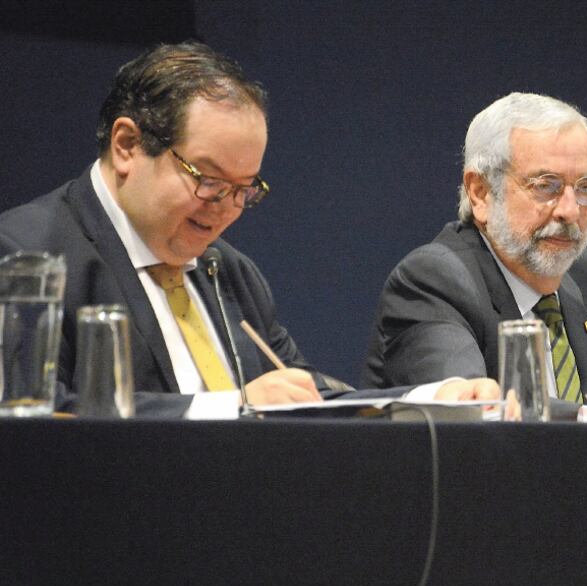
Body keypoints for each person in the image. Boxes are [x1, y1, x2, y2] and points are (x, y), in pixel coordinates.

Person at [0, 42, 495, 418]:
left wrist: (427, 398)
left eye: (244, 189)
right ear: (127, 145)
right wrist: (231, 406)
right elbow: (35, 413)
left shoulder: (228, 270)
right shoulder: (24, 257)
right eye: (208, 180)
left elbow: (301, 392)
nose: (225, 210)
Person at [362, 92, 587, 401]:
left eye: (585, 187)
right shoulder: (436, 280)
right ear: (481, 193)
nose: (570, 211)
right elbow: (469, 403)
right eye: (546, 186)